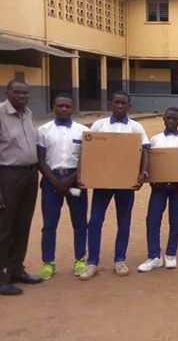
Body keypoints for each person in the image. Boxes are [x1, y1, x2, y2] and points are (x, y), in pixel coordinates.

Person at [79, 91, 150, 280]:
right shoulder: (99, 125)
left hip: (126, 184)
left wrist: (142, 173)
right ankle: (92, 261)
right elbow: (89, 150)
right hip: (102, 183)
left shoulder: (136, 127)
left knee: (123, 222)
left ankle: (120, 259)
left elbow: (145, 151)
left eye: (123, 103)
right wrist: (86, 174)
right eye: (117, 102)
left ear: (129, 106)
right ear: (111, 103)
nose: (120, 106)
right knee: (95, 221)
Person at [36, 93, 89, 280]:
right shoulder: (43, 130)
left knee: (80, 222)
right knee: (49, 224)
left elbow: (86, 159)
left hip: (76, 182)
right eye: (60, 106)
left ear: (73, 108)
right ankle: (48, 263)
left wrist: (70, 180)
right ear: (54, 107)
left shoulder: (83, 131)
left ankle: (79, 260)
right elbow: (40, 159)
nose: (64, 109)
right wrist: (55, 181)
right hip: (52, 183)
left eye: (67, 106)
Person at [0, 79, 42, 296]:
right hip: (7, 175)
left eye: (25, 93)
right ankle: (1, 277)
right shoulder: (0, 114)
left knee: (23, 223)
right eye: (17, 92)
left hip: (29, 174)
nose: (21, 96)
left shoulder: (28, 113)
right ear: (8, 92)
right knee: (4, 227)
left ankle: (17, 268)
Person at [138, 107, 178, 272]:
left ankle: (170, 254)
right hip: (158, 188)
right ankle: (154, 256)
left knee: (174, 220)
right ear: (163, 118)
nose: (171, 121)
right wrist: (153, 181)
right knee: (152, 219)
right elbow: (149, 164)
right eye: (168, 118)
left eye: (174, 119)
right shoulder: (154, 140)